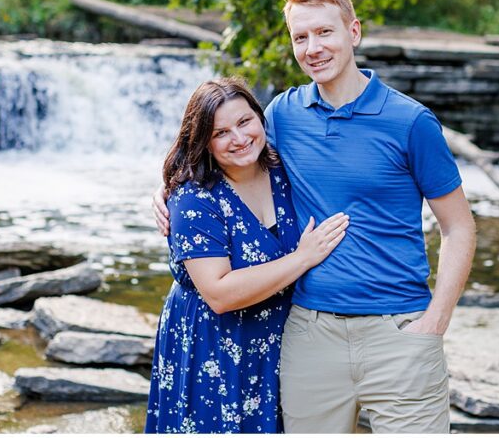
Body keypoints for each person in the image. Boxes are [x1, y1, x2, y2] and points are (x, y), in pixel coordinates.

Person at [154, 0, 476, 433]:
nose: (313, 48)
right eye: (300, 37)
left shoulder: (411, 123)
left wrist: (436, 321)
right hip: (308, 333)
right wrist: (166, 193)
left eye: (324, 32)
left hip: (398, 332)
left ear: (354, 32)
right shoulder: (283, 116)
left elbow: (458, 227)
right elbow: (223, 150)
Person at [145, 77, 350, 433]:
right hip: (214, 345)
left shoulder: (285, 173)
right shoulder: (194, 198)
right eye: (220, 132)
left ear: (260, 117)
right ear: (203, 142)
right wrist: (302, 257)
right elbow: (220, 294)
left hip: (280, 342)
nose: (238, 139)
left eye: (244, 122)